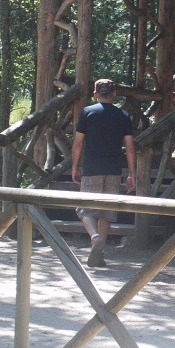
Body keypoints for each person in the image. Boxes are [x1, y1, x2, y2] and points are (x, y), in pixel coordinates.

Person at [71, 78, 137, 267]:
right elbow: (130, 147)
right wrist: (132, 174)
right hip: (114, 169)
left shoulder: (88, 113)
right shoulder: (123, 115)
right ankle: (99, 254)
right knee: (107, 213)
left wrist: (75, 167)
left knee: (84, 209)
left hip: (92, 168)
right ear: (114, 93)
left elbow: (78, 143)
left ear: (95, 94)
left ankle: (95, 236)